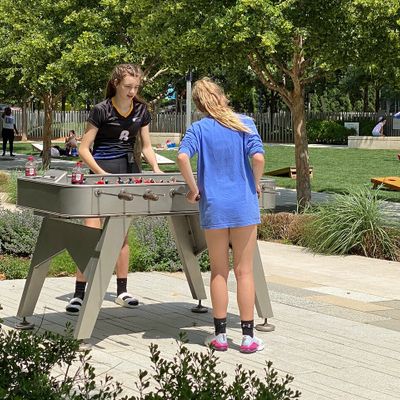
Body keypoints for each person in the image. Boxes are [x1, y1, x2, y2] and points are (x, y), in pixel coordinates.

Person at [177, 77, 265, 354]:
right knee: (244, 271)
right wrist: (255, 183)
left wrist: (194, 190)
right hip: (243, 205)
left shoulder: (198, 129)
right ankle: (248, 338)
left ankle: (221, 336)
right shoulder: (244, 123)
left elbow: (182, 157)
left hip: (214, 205)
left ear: (199, 105)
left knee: (219, 271)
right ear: (222, 96)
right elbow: (258, 158)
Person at [66, 63, 163, 315]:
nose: (132, 91)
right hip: (101, 174)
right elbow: (83, 149)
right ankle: (79, 294)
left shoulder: (141, 110)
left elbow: (146, 146)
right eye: (128, 86)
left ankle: (122, 291)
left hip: (128, 173)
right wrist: (101, 174)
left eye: (136, 87)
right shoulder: (101, 109)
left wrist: (155, 169)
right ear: (116, 84)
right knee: (91, 234)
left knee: (121, 234)